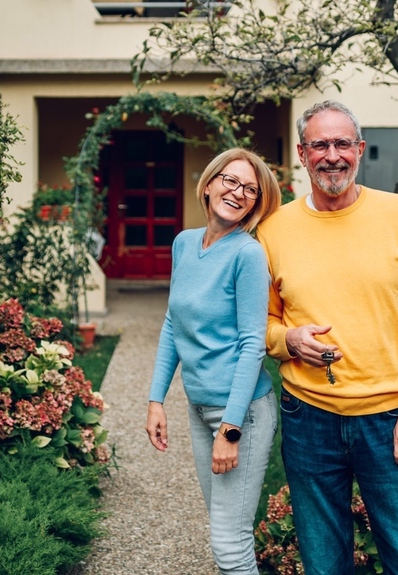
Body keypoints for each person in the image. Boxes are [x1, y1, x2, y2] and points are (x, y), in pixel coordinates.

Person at [257, 100, 398, 575]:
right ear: (302, 155)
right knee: (325, 566)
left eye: (342, 143)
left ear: (360, 150)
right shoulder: (272, 229)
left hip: (392, 420)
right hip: (308, 419)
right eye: (320, 145)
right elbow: (259, 323)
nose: (332, 155)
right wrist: (287, 339)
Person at [146, 148, 283, 575]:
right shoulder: (184, 243)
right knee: (225, 527)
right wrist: (156, 400)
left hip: (241, 413)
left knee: (229, 542)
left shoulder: (247, 255)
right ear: (208, 184)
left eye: (250, 189)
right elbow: (174, 323)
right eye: (230, 180)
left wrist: (231, 428)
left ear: (255, 204)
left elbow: (252, 345)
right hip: (199, 407)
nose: (238, 192)